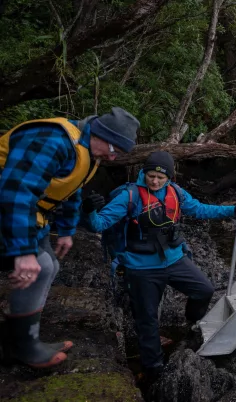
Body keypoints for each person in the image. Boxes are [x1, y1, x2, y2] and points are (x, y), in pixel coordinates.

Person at [0, 107, 139, 368]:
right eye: (114, 150)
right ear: (101, 134)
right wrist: (23, 252)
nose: (112, 157)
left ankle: (19, 340)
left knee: (49, 265)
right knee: (38, 266)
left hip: (32, 214)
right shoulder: (53, 140)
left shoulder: (87, 152)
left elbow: (70, 190)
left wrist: (66, 230)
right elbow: (16, 193)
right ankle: (23, 346)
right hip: (10, 207)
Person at [84, 151, 236, 379]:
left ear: (169, 178)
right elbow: (99, 224)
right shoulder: (130, 196)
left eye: (160, 177)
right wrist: (88, 210)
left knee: (204, 290)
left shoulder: (175, 192)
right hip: (141, 268)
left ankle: (192, 324)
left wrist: (232, 210)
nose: (155, 181)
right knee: (147, 321)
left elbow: (199, 209)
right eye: (151, 176)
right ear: (144, 173)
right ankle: (153, 369)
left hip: (174, 260)